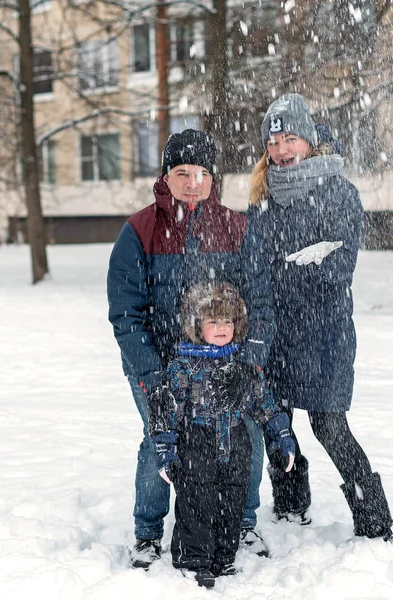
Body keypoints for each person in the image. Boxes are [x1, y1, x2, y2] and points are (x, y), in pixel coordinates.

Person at [107, 129, 275, 569]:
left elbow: (260, 300)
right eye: (183, 172)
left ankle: (242, 522)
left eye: (202, 173)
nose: (193, 182)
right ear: (167, 176)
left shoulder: (237, 227)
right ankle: (148, 532)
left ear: (213, 177)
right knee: (159, 442)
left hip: (224, 365)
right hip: (159, 366)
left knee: (244, 438)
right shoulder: (139, 230)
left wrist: (250, 359)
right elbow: (126, 313)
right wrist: (152, 375)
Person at [247, 92, 392, 540]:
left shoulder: (338, 190)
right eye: (274, 142)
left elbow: (337, 266)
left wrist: (291, 265)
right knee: (276, 422)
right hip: (275, 332)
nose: (282, 149)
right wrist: (293, 264)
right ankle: (290, 507)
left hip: (323, 334)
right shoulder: (263, 198)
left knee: (329, 425)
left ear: (309, 140)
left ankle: (375, 520)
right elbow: (254, 265)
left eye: (290, 138)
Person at [149, 282, 295, 588]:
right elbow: (167, 411)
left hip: (236, 441)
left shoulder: (241, 367)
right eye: (212, 321)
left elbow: (263, 402)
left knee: (231, 500)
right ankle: (194, 559)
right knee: (197, 501)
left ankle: (223, 556)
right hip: (198, 443)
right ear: (196, 325)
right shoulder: (182, 367)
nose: (221, 328)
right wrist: (166, 450)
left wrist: (281, 434)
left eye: (227, 321)